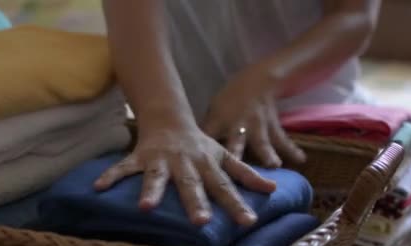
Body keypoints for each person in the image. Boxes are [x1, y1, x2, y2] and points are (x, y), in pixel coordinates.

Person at [96, 0, 380, 226]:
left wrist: (260, 83)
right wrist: (165, 121)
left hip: (320, 121)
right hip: (182, 127)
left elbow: (354, 16)